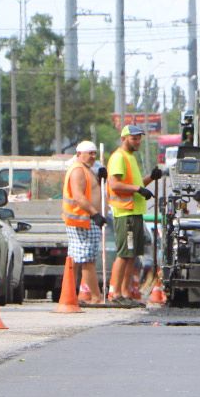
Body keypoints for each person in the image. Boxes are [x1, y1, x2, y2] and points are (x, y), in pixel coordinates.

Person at [106, 125, 162, 306]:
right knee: (124, 254)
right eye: (134, 138)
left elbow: (135, 185)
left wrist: (150, 178)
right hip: (125, 213)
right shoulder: (118, 157)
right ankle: (114, 293)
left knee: (132, 255)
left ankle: (125, 292)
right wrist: (138, 189)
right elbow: (115, 184)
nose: (137, 142)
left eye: (139, 138)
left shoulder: (130, 158)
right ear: (124, 138)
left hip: (135, 213)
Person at [61, 140, 105, 305]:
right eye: (90, 153)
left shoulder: (86, 169)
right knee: (87, 259)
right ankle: (95, 296)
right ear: (79, 154)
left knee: (77, 258)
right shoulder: (78, 170)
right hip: (82, 219)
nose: (93, 157)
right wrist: (95, 214)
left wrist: (101, 178)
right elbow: (79, 197)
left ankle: (70, 294)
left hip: (85, 219)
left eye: (94, 153)